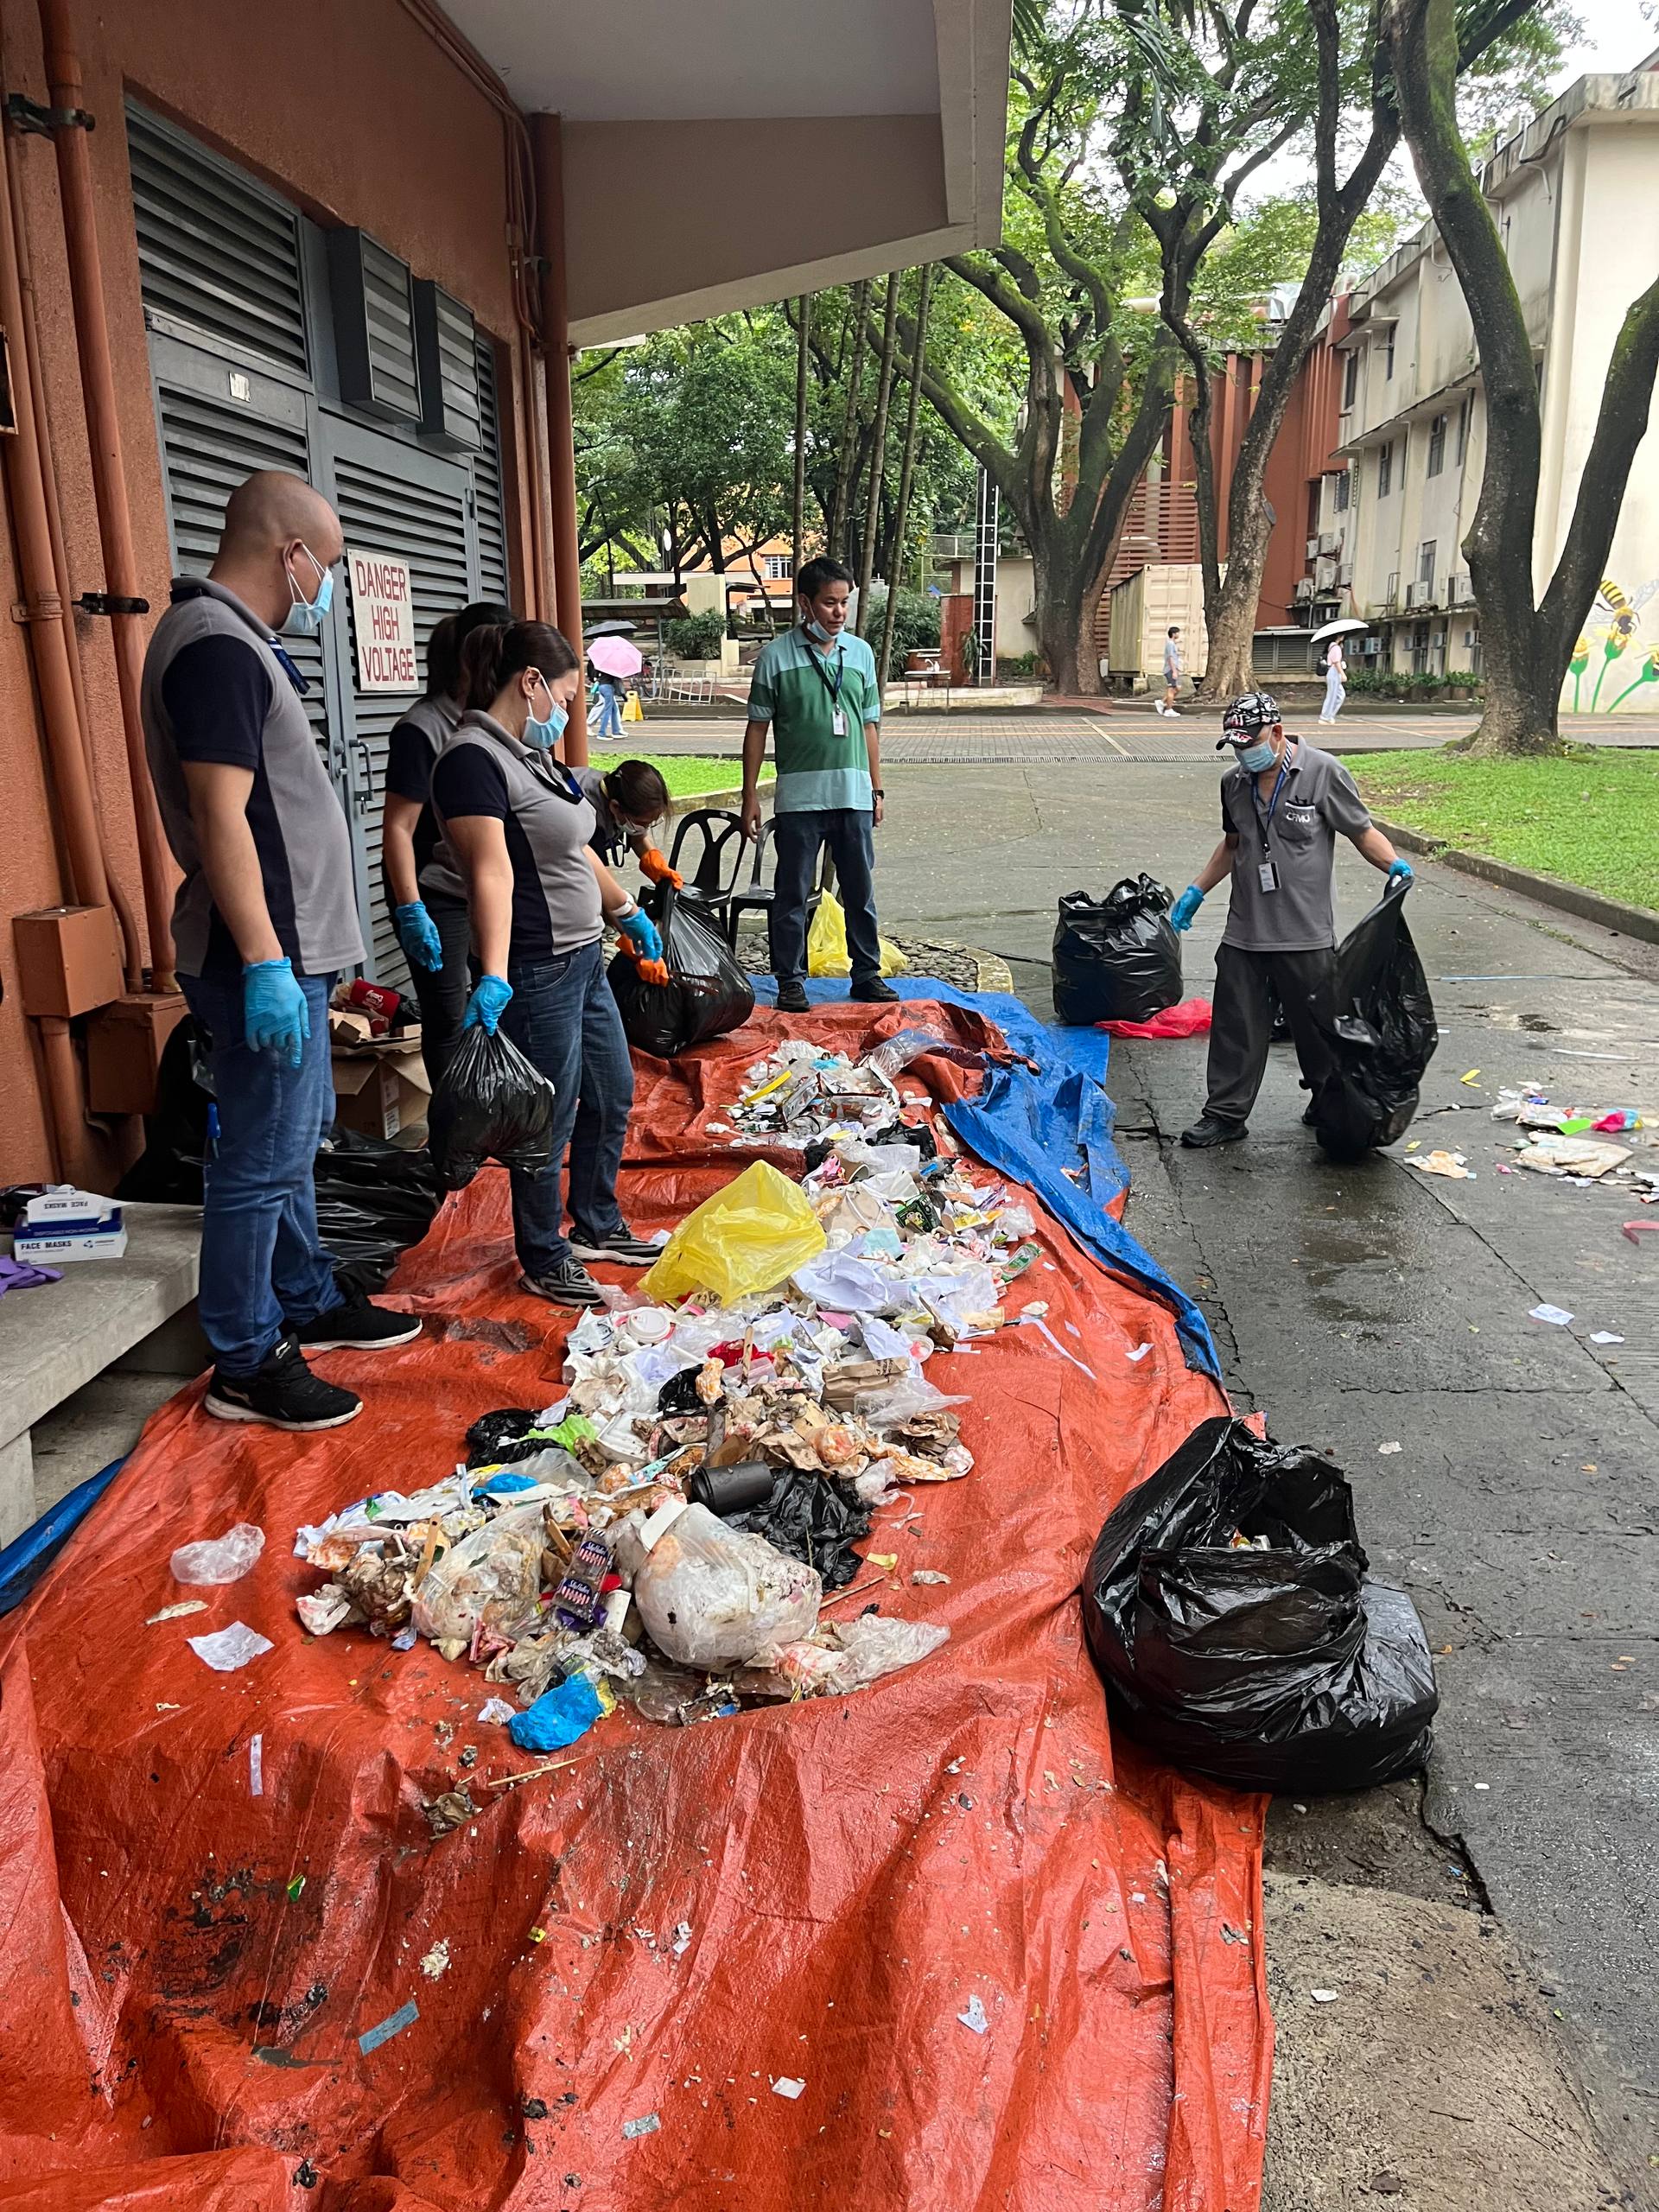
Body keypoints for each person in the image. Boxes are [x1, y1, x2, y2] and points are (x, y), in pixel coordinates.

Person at [139, 470, 420, 1431]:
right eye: (327, 567)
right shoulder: (215, 649)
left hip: (287, 947)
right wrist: (263, 960)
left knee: (290, 1146)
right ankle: (246, 1355)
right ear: (291, 555)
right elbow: (221, 817)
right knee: (259, 1160)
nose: (327, 590)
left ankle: (304, 1297)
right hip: (259, 952)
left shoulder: (235, 645)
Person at [429, 620, 664, 1307]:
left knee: (614, 1091)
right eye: (563, 694)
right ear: (529, 683)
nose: (567, 710)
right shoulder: (471, 761)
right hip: (536, 967)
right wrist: (495, 971)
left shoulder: (534, 758)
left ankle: (594, 1221)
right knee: (547, 1122)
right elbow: (490, 872)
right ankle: (543, 1252)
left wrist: (626, 911)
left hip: (583, 958)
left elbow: (577, 847)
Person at [1168, 689, 1413, 1148]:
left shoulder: (1323, 773)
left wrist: (1392, 864)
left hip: (1306, 934)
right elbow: (1234, 844)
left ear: (1277, 732)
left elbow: (1361, 831)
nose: (1245, 755)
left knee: (1319, 1032)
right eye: (1236, 747)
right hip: (1245, 931)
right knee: (1234, 1029)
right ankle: (1225, 1113)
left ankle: (1328, 1102)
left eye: (1251, 743)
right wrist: (1197, 890)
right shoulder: (1233, 783)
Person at [740, 555, 893, 1015]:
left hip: (853, 797)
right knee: (791, 895)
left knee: (859, 891)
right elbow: (756, 729)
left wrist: (877, 790)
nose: (839, 613)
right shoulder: (775, 657)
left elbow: (868, 727)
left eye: (845, 602)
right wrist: (750, 795)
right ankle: (790, 980)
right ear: (805, 603)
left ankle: (866, 973)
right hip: (799, 801)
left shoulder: (861, 654)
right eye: (829, 603)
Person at [383, 598, 512, 1088]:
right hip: (433, 889)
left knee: (490, 1003)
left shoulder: (494, 719)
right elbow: (398, 828)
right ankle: (453, 1136)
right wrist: (410, 908)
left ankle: (491, 1106)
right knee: (447, 1014)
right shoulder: (423, 728)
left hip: (479, 882)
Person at [574, 758, 682, 890]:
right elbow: (605, 885)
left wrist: (658, 868)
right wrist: (629, 908)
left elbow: (638, 838)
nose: (644, 828)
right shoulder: (587, 814)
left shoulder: (619, 789)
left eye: (649, 824)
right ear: (615, 807)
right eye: (641, 823)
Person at [589, 662, 625, 741]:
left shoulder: (603, 664)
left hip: (602, 686)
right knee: (608, 710)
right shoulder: (614, 666)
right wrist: (624, 696)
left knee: (614, 709)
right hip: (608, 687)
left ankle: (616, 731)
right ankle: (602, 733)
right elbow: (617, 679)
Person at [1319, 635, 1348, 725]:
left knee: (1340, 695)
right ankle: (1325, 717)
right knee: (1332, 696)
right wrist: (1342, 673)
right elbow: (1336, 662)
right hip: (1334, 672)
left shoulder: (1332, 646)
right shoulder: (1336, 648)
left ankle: (1329, 716)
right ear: (1339, 636)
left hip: (1333, 672)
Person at [1156, 626, 1184, 716]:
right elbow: (1170, 658)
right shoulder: (1170, 644)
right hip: (1170, 669)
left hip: (1173, 669)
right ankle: (1168, 710)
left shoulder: (1173, 644)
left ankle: (1162, 701)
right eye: (1178, 633)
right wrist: (1174, 671)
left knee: (1178, 688)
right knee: (1171, 690)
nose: (1179, 634)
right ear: (1174, 634)